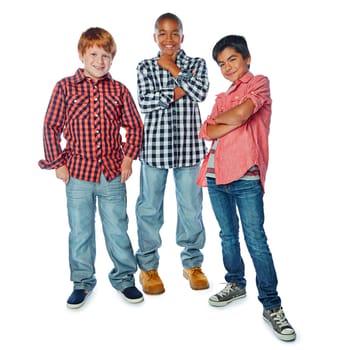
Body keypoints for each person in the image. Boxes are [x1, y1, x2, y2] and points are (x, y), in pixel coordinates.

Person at [197, 35, 296, 341]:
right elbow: (206, 129)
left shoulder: (259, 83)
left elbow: (241, 115)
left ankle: (272, 305)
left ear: (247, 58)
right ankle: (236, 283)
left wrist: (229, 120)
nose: (227, 67)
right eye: (221, 63)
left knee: (256, 240)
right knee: (227, 235)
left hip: (245, 178)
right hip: (214, 177)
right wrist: (231, 120)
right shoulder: (221, 96)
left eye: (232, 59)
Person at [38, 27, 144, 308]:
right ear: (82, 54)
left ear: (112, 59)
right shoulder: (64, 87)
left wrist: (127, 159)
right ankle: (82, 282)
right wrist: (57, 162)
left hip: (111, 174)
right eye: (94, 54)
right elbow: (51, 126)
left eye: (106, 55)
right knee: (81, 231)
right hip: (77, 174)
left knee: (117, 229)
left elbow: (134, 126)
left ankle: (125, 279)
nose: (100, 60)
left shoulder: (119, 90)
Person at [135, 13, 209, 294]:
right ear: (155, 37)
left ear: (182, 36)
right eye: (163, 33)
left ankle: (192, 263)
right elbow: (145, 100)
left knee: (191, 208)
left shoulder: (196, 64)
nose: (169, 39)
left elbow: (200, 91)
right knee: (149, 209)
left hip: (189, 150)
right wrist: (181, 88)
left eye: (174, 33)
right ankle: (149, 267)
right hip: (154, 149)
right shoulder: (144, 66)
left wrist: (172, 69)